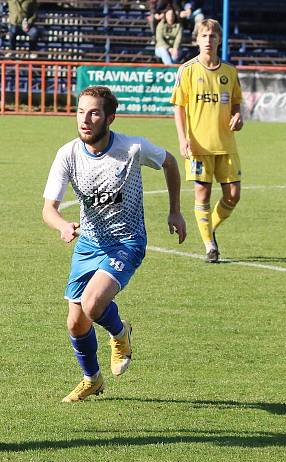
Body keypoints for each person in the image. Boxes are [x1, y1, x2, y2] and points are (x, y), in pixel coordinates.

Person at [42, 86, 186, 402]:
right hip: (89, 244)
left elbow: (170, 162)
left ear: (110, 118)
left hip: (127, 241)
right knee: (76, 323)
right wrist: (63, 225)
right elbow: (49, 209)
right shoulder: (67, 154)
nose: (85, 119)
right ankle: (92, 379)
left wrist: (175, 210)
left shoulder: (132, 148)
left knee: (93, 305)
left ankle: (120, 334)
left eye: (94, 112)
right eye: (81, 111)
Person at [171, 19, 243, 263]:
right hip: (199, 145)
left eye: (213, 36)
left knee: (233, 195)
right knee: (202, 195)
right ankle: (209, 246)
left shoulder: (230, 72)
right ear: (196, 39)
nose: (209, 40)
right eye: (204, 36)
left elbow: (236, 104)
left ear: (219, 39)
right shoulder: (188, 70)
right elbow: (179, 108)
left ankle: (208, 227)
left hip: (226, 145)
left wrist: (238, 116)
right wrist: (183, 139)